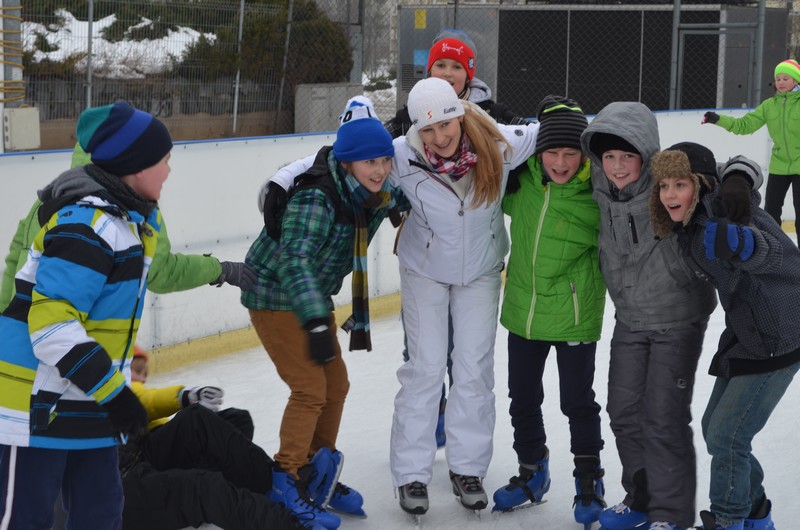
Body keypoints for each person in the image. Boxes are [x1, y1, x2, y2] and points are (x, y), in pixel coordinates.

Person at [0, 101, 173, 528]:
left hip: (87, 403)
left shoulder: (127, 224)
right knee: (26, 519)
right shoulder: (87, 227)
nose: (169, 171)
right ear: (135, 166)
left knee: (102, 513)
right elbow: (52, 328)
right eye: (164, 160)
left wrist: (111, 394)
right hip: (37, 410)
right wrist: (116, 395)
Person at [242, 96, 406, 527]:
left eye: (384, 160)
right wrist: (316, 321)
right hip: (274, 293)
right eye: (369, 162)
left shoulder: (372, 191)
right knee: (310, 389)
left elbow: (401, 194)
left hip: (311, 295)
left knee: (337, 385)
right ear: (347, 162)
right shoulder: (318, 198)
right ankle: (286, 480)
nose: (380, 170)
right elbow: (294, 260)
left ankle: (316, 472)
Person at [387, 77, 538, 516]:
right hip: (424, 270)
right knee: (426, 368)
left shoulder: (499, 142)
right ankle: (411, 474)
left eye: (446, 124)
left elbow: (557, 131)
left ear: (459, 115)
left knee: (473, 369)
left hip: (480, 271)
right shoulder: (402, 155)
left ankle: (467, 469)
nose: (439, 137)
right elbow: (342, 154)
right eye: (428, 129)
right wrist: (282, 180)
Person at [580, 102, 717, 530]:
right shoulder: (599, 185)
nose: (618, 166)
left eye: (628, 156)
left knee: (663, 417)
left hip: (677, 317)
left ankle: (671, 516)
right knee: (623, 411)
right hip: (630, 318)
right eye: (609, 156)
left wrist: (739, 180)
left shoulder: (665, 182)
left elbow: (726, 173)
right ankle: (642, 497)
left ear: (646, 153)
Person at [649, 144, 795, 530]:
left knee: (728, 436)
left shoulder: (724, 213)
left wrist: (745, 245)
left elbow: (772, 252)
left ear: (699, 185)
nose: (669, 194)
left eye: (680, 184)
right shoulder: (693, 221)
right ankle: (756, 513)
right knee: (717, 432)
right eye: (663, 185)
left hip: (780, 334)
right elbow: (736, 167)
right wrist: (738, 175)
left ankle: (728, 521)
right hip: (748, 332)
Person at [491, 95, 607, 529]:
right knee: (522, 398)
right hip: (524, 311)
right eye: (552, 152)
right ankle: (532, 472)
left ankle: (589, 479)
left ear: (584, 154)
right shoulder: (521, 185)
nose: (560, 162)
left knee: (577, 401)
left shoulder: (598, 195)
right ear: (538, 153)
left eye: (570, 153)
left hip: (575, 313)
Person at [0, 141, 255, 314]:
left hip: (20, 347)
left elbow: (14, 266)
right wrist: (219, 269)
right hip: (76, 357)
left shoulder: (48, 199)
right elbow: (159, 273)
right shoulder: (135, 211)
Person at [121, 347, 327, 530]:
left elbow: (139, 399)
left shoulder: (118, 382)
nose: (139, 377)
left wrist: (186, 397)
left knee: (213, 419)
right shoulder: (108, 374)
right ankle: (286, 523)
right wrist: (182, 397)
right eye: (134, 370)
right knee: (203, 485)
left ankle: (278, 486)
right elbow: (143, 398)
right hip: (120, 482)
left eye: (142, 371)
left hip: (137, 452)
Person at [702, 59, 800, 246]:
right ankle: (774, 249)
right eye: (778, 79)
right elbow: (744, 125)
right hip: (779, 165)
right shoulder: (769, 106)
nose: (780, 82)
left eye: (785, 78)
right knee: (771, 212)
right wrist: (717, 119)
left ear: (795, 81)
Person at [384, 28, 529, 137]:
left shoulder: (493, 114)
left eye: (457, 67)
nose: (447, 73)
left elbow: (533, 134)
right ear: (430, 71)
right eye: (441, 65)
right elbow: (378, 140)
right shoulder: (410, 116)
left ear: (468, 77)